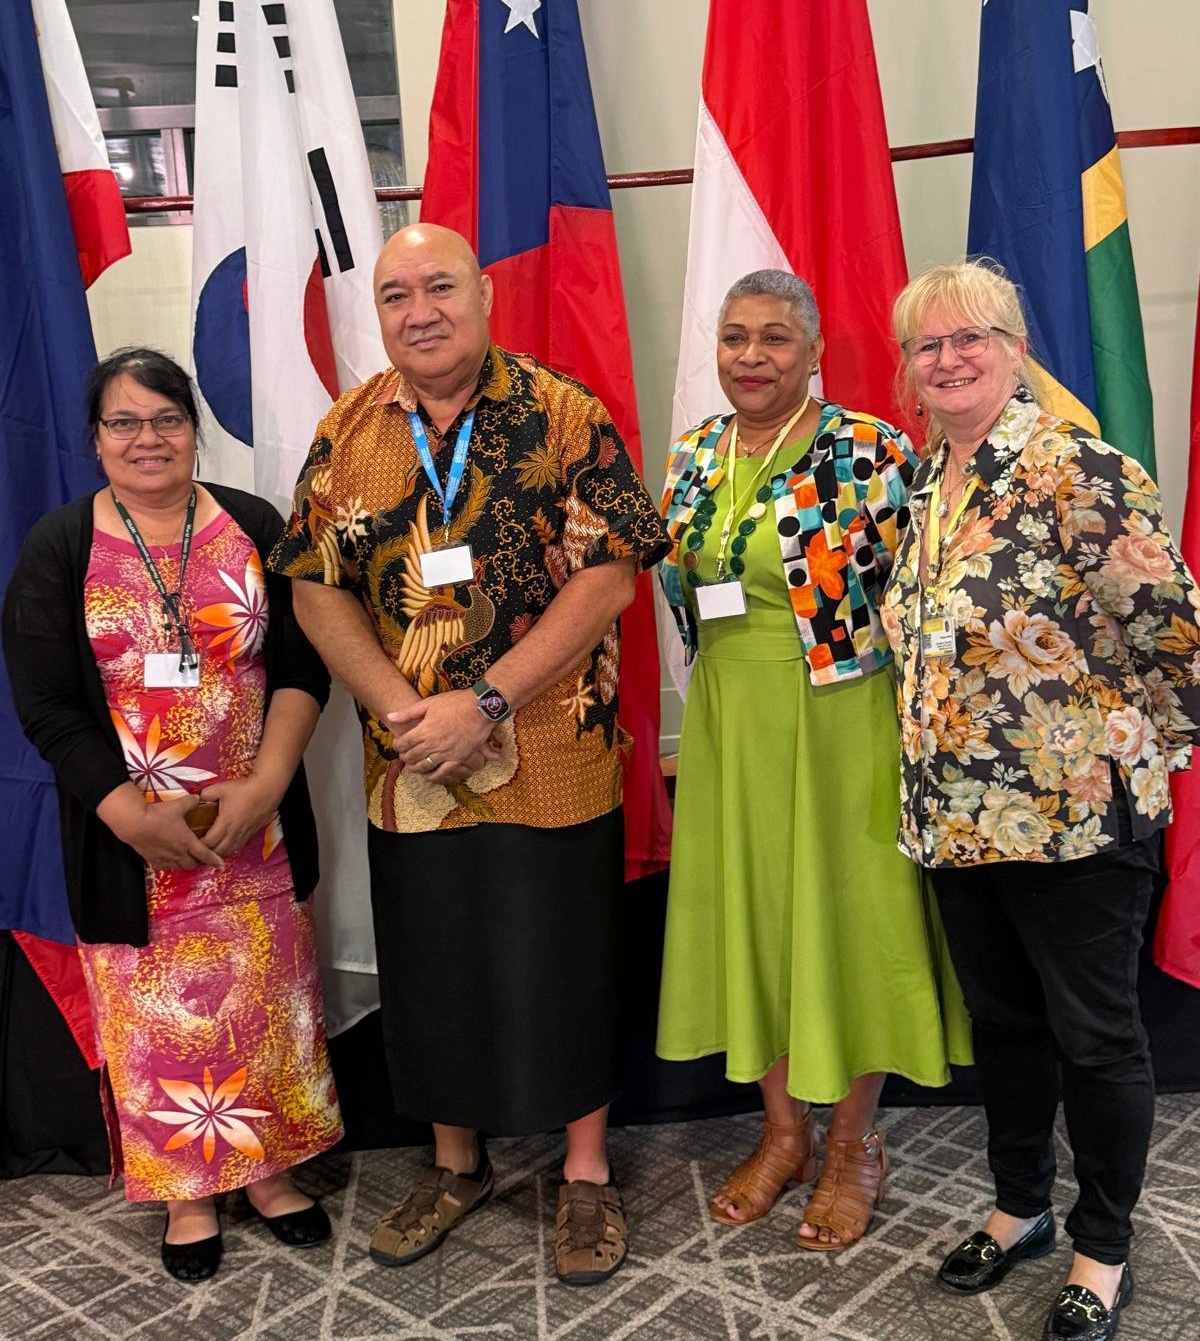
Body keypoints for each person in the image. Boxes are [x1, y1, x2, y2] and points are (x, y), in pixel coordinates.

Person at [269, 222, 670, 1286]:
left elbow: (611, 575)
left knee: (568, 957)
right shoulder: (347, 431)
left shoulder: (563, 412)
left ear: (483, 293)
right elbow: (314, 587)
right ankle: (456, 1165)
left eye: (439, 286)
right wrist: (413, 710)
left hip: (553, 746)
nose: (420, 311)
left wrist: (485, 699)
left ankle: (586, 1173)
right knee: (434, 961)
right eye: (396, 295)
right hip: (415, 762)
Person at [881, 260, 1200, 1341]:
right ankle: (1020, 1206)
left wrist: (1150, 756)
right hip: (957, 821)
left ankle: (1103, 1248)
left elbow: (1169, 625)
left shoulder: (1078, 468)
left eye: (974, 336)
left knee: (1098, 1036)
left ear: (1017, 351)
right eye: (929, 344)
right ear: (910, 370)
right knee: (1006, 1026)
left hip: (1073, 819)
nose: (951, 356)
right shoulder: (929, 483)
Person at [2, 348, 342, 1282]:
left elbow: (304, 667)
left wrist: (269, 784)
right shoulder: (61, 546)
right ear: (95, 440)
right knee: (162, 1026)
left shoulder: (255, 524)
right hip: (136, 842)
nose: (148, 439)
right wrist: (126, 814)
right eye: (125, 422)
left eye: (166, 419)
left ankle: (270, 1175)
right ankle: (188, 1192)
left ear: (194, 428)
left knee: (269, 1003)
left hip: (255, 829)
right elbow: (45, 705)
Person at [656, 269, 971, 1252]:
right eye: (735, 336)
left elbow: (924, 595)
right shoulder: (694, 453)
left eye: (776, 339)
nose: (752, 356)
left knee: (844, 916)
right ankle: (783, 1131)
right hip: (728, 716)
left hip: (841, 718)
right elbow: (677, 584)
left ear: (815, 350)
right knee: (753, 913)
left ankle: (852, 1147)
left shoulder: (873, 450)